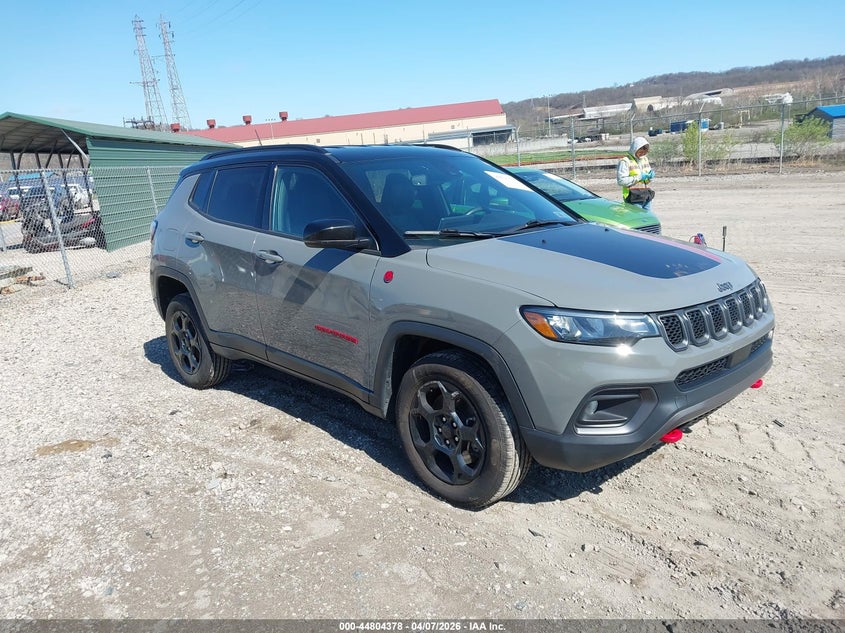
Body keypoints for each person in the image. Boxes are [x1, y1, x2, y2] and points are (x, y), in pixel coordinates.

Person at [617, 136, 655, 210]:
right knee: (637, 219)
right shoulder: (625, 161)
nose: (642, 154)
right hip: (633, 197)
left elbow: (646, 181)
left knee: (648, 219)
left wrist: (650, 177)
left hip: (645, 195)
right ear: (635, 149)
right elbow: (621, 181)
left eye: (644, 152)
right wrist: (639, 177)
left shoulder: (644, 159)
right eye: (640, 152)